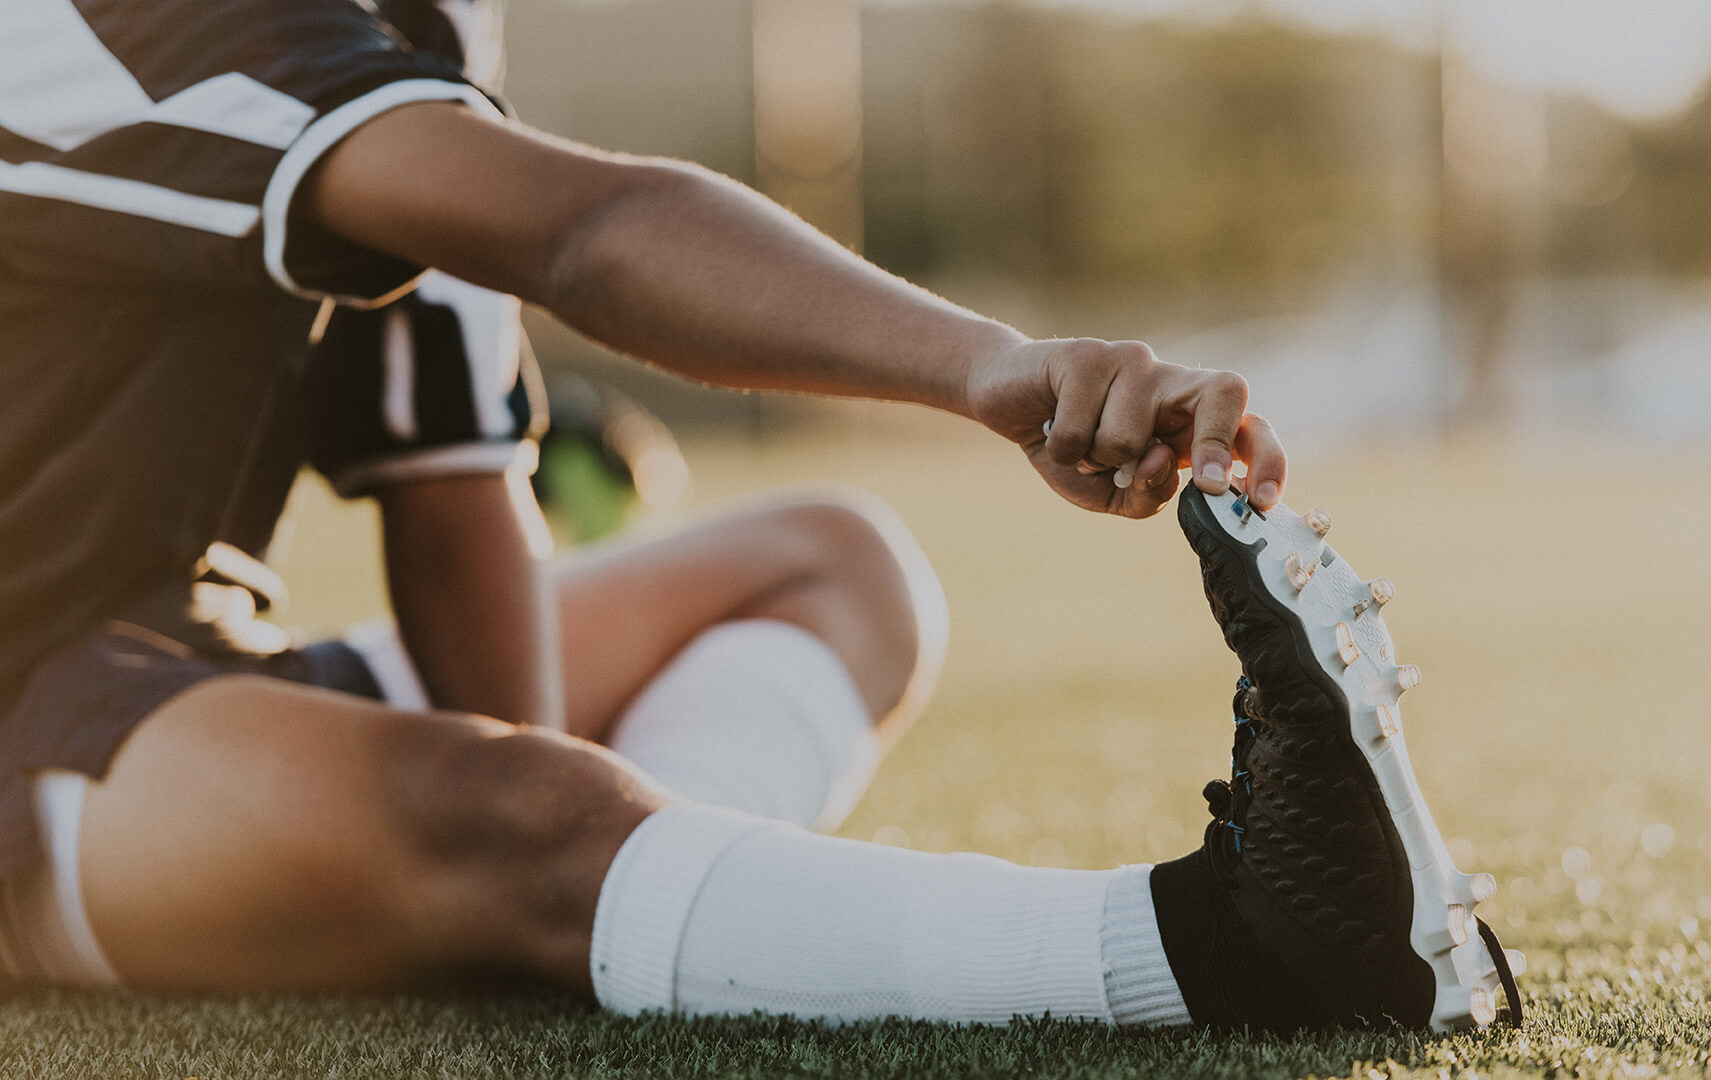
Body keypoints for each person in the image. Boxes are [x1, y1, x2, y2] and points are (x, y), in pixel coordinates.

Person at [0, 0, 1518, 1032]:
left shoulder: (415, 29)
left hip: (157, 666)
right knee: (529, 822)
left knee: (837, 564)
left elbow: (449, 484)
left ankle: (646, 919)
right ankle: (1228, 954)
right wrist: (988, 365)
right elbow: (585, 230)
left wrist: (561, 842)